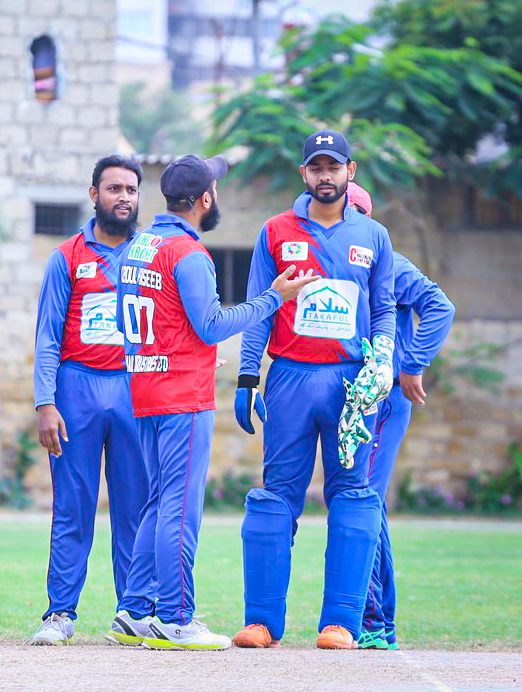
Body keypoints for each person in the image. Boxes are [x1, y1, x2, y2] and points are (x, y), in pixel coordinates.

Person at [105, 155, 317, 650]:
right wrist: (274, 297)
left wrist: (187, 350)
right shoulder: (189, 253)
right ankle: (175, 617)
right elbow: (212, 326)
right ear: (205, 199)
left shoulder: (138, 246)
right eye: (215, 188)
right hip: (181, 396)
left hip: (146, 386)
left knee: (158, 502)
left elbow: (137, 319)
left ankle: (134, 612)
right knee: (179, 510)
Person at [233, 130, 397, 650]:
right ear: (303, 173)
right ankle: (262, 622)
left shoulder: (374, 236)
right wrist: (247, 376)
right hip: (291, 378)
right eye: (316, 167)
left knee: (351, 496)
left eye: (334, 166)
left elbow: (385, 308)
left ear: (350, 171)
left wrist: (383, 360)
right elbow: (260, 306)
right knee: (275, 497)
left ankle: (340, 624)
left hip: (351, 381)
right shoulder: (276, 230)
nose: (326, 176)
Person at [27, 155, 149, 646]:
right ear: (94, 194)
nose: (124, 197)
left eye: (132, 190)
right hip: (77, 388)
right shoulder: (67, 256)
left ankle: (134, 611)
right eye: (114, 188)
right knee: (73, 507)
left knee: (135, 507)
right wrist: (45, 401)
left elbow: (172, 321)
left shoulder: (152, 254)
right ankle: (59, 613)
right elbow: (47, 335)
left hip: (136, 388)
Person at [342, 183, 455, 651]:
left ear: (365, 219)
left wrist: (410, 364)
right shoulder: (325, 257)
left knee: (361, 499)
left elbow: (440, 306)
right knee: (365, 501)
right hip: (352, 397)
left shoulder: (387, 261)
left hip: (383, 398)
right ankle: (379, 621)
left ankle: (372, 619)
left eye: (349, 212)